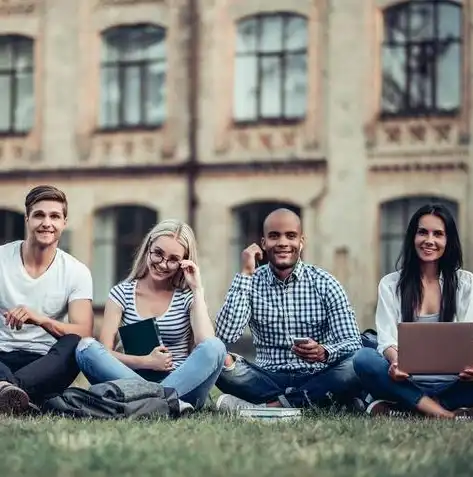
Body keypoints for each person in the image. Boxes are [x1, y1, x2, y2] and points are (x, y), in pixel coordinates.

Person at [214, 208, 363, 411]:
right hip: (265, 378)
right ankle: (322, 402)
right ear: (264, 242)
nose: (283, 242)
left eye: (291, 236)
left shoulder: (326, 283)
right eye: (274, 236)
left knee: (358, 364)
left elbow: (353, 344)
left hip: (316, 375)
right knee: (218, 359)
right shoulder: (251, 281)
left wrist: (324, 352)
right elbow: (226, 334)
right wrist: (246, 272)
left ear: (301, 241)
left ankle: (271, 407)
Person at [75, 219, 226, 411]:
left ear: (183, 262)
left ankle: (150, 401)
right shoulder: (121, 293)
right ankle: (165, 404)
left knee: (216, 345)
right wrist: (147, 362)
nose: (163, 264)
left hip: (183, 386)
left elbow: (206, 343)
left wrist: (197, 289)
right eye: (158, 254)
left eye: (173, 259)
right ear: (148, 248)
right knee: (85, 347)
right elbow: (106, 353)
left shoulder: (188, 297)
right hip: (132, 379)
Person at [353, 204, 473, 419]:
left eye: (438, 234)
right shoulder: (390, 284)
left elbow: (469, 339)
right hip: (405, 381)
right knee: (364, 358)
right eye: (422, 232)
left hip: (456, 384)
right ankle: (446, 414)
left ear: (448, 240)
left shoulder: (466, 283)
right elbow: (387, 340)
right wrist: (395, 362)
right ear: (412, 237)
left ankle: (411, 408)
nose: (429, 240)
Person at [0, 185, 93, 413]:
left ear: (64, 222)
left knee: (77, 344)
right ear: (27, 219)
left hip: (45, 363)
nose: (46, 223)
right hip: (1, 356)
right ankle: (20, 396)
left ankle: (9, 390)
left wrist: (41, 320)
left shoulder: (76, 271)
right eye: (39, 215)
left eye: (54, 216)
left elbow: (84, 331)